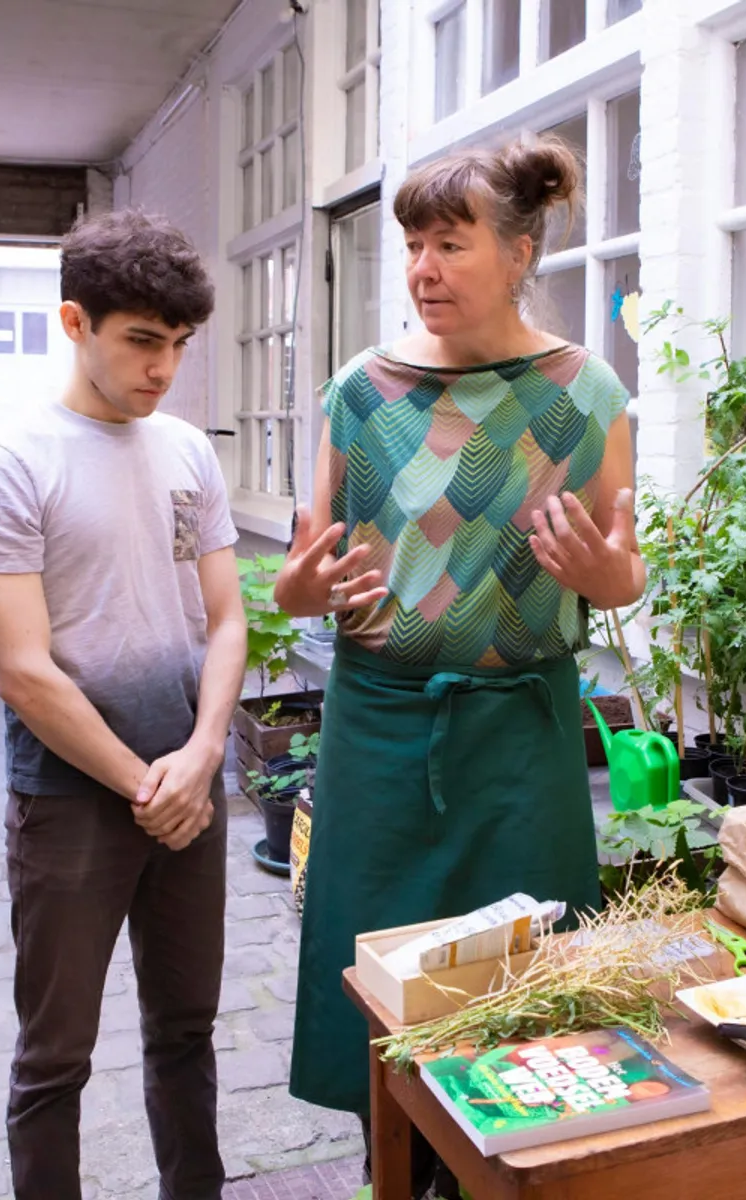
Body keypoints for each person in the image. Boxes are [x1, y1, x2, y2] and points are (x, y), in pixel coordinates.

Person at [279, 136, 647, 1186]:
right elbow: (304, 575)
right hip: (381, 734)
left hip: (521, 735)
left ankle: (512, 1170)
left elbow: (625, 575)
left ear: (522, 249)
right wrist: (304, 591)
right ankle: (393, 1167)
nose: (423, 269)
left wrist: (603, 574)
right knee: (380, 974)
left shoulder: (585, 395)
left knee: (525, 980)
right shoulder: (363, 393)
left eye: (450, 243)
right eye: (412, 245)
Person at [0, 209, 244, 1200]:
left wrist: (201, 755)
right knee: (54, 1059)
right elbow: (23, 670)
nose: (163, 368)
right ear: (75, 322)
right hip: (73, 799)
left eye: (179, 345)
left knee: (186, 1033)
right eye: (142, 342)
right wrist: (142, 783)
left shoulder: (188, 453)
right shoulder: (9, 460)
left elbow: (227, 617)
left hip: (189, 789)